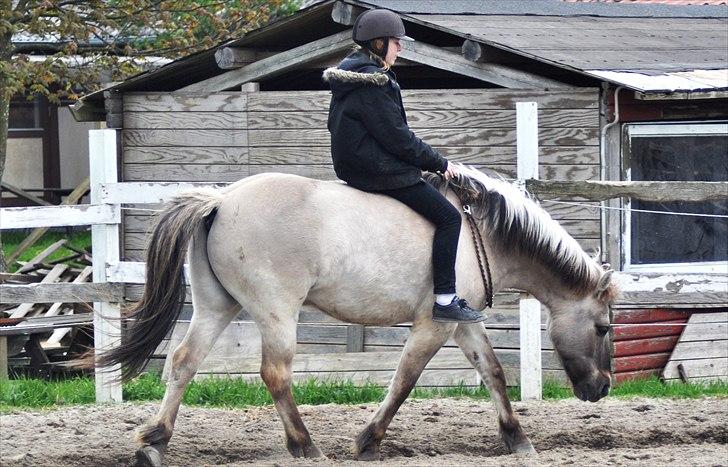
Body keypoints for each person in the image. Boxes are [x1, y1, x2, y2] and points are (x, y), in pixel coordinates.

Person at [323, 9, 485, 323]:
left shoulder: (350, 79)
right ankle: (445, 299)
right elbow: (399, 139)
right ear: (379, 43)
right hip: (378, 169)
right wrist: (440, 163)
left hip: (356, 166)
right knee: (449, 218)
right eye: (396, 42)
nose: (401, 48)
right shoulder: (374, 84)